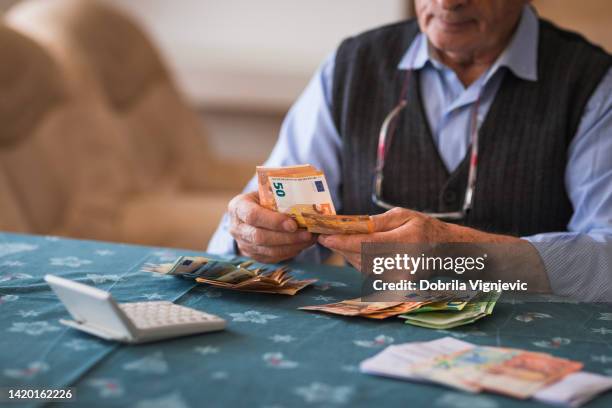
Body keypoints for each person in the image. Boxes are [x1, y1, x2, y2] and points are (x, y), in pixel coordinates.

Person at [208, 0, 612, 300]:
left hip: (526, 335)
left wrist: (457, 253)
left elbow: (607, 259)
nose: (448, 3)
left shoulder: (592, 84)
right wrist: (254, 237)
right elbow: (262, 222)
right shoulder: (353, 66)